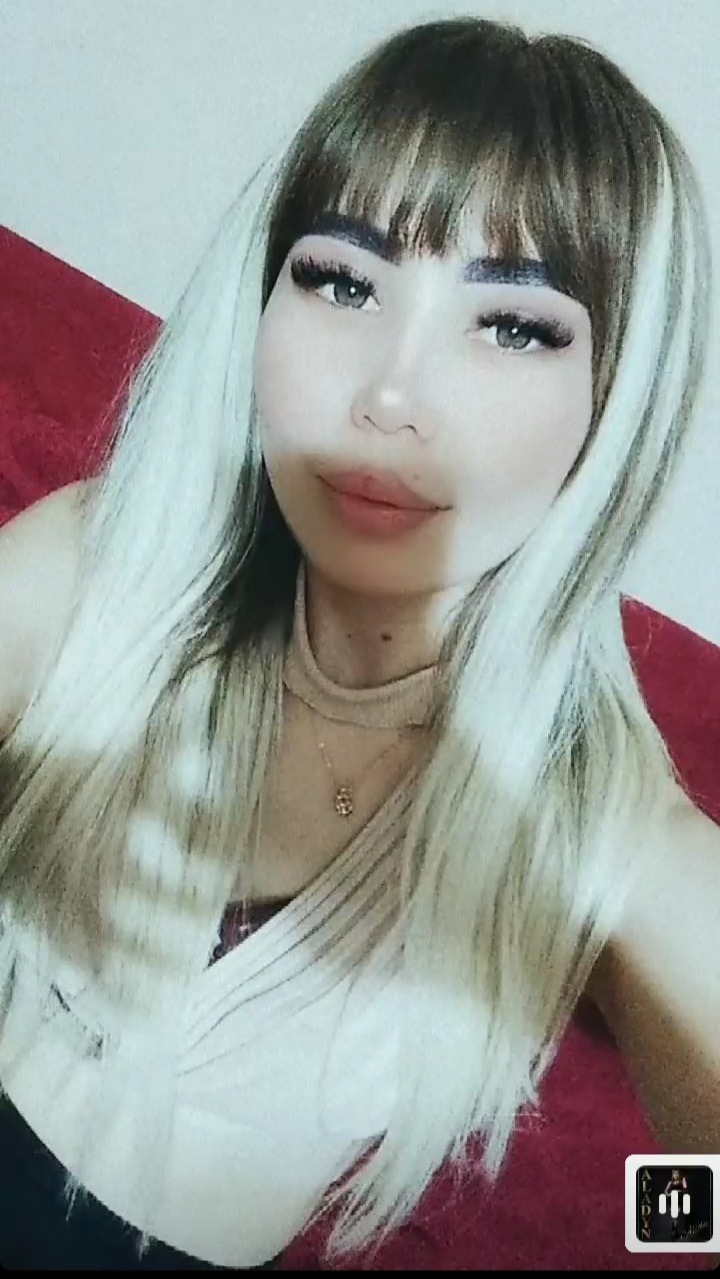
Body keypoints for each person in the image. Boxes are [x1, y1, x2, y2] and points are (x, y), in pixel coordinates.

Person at [0, 13, 712, 1271]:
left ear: (616, 401)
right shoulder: (100, 568)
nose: (390, 390)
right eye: (342, 280)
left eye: (514, 325)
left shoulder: (593, 823)